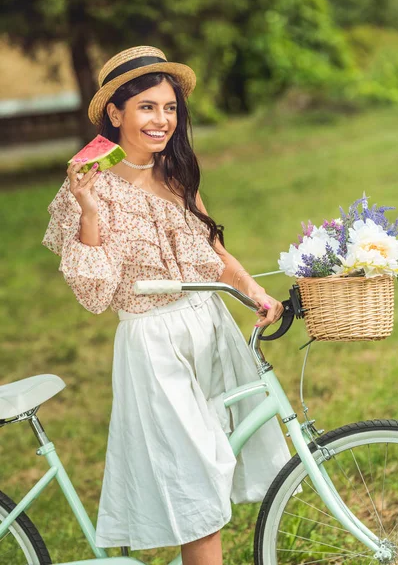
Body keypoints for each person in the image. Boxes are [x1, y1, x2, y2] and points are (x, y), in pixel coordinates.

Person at [42, 45, 291, 565]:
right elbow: (93, 295)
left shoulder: (177, 170)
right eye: (147, 107)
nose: (162, 120)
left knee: (213, 467)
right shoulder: (86, 190)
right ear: (116, 113)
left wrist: (255, 292)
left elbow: (213, 251)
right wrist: (89, 210)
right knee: (195, 482)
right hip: (154, 341)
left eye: (170, 107)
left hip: (209, 326)